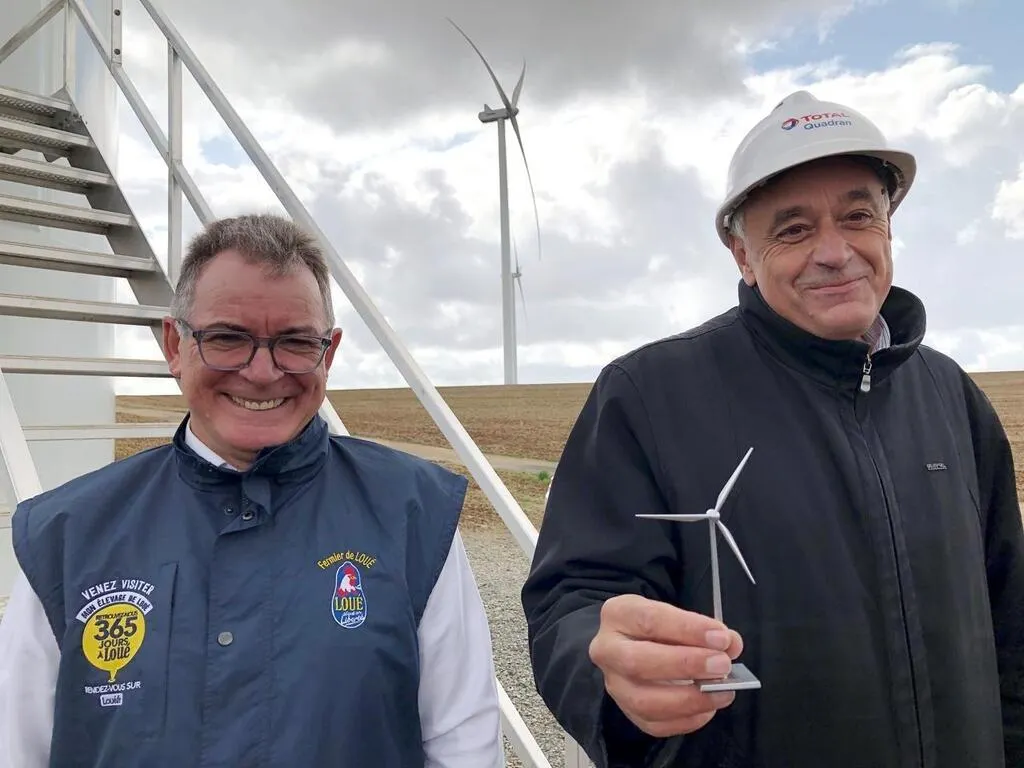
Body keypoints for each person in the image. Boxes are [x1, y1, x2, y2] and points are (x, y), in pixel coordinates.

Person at [521, 90, 1024, 767]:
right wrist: (606, 670)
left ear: (889, 227)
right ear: (741, 254)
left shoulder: (951, 397)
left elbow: (1010, 622)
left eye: (858, 216)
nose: (835, 251)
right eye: (792, 229)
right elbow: (574, 602)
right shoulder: (648, 396)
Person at [0, 213, 506, 767]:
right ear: (174, 345)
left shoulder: (414, 516)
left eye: (295, 342)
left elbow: (464, 749)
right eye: (226, 338)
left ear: (328, 353)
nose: (262, 372)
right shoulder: (66, 535)